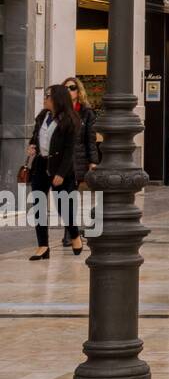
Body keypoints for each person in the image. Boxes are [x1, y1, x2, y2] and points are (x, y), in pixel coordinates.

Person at [25, 85, 83, 260]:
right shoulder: (43, 116)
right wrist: (32, 146)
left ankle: (74, 234)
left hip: (60, 168)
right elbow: (36, 136)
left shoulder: (70, 120)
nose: (44, 98)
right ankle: (43, 245)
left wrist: (61, 173)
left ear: (57, 98)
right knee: (38, 205)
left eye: (47, 96)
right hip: (41, 166)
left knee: (63, 206)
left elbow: (70, 150)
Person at [61, 77, 99, 247]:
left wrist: (93, 161)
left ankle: (70, 235)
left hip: (78, 160)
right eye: (66, 88)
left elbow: (90, 140)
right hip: (61, 160)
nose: (69, 91)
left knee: (70, 197)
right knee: (64, 198)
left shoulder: (86, 112)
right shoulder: (58, 111)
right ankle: (71, 233)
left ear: (79, 90)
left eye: (72, 87)